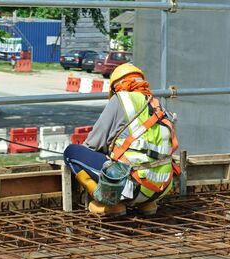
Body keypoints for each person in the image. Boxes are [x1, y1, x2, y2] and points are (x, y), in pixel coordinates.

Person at [63, 64, 180, 216]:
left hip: (133, 185)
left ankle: (111, 203)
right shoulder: (157, 105)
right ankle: (147, 205)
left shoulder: (120, 99)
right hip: (161, 187)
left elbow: (93, 143)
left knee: (71, 152)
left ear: (115, 87)